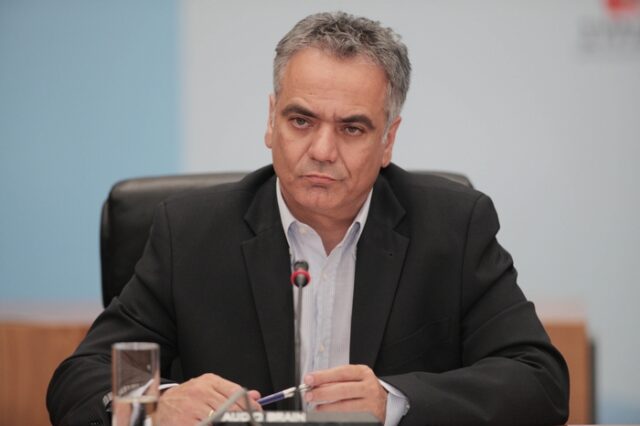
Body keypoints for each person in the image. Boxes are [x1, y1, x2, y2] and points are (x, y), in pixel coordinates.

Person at [47, 11, 569, 426]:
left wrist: (394, 401)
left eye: (352, 129)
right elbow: (81, 379)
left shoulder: (452, 229)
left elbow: (539, 382)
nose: (321, 150)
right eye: (301, 120)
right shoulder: (190, 234)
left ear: (388, 140)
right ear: (270, 121)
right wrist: (154, 405)